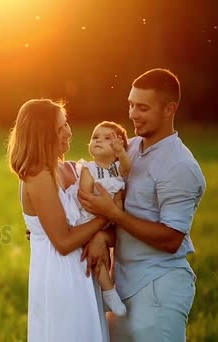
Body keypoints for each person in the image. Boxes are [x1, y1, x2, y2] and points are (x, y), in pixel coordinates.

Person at [79, 68, 206, 341]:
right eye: (131, 104)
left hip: (158, 287)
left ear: (170, 109)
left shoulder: (179, 165)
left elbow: (171, 238)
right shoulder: (130, 148)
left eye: (143, 107)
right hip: (122, 287)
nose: (133, 114)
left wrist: (114, 214)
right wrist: (88, 232)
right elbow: (101, 193)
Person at [7, 98, 110, 341]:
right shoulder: (37, 176)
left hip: (84, 271)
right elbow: (63, 242)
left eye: (67, 124)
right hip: (60, 275)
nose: (69, 132)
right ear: (43, 136)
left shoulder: (73, 169)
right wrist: (107, 215)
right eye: (60, 128)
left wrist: (101, 225)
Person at [62, 121, 131, 317]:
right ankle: (109, 294)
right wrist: (108, 209)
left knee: (106, 253)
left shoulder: (118, 167)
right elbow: (85, 196)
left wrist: (122, 153)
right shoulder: (88, 169)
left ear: (118, 148)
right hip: (90, 216)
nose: (98, 140)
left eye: (107, 138)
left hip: (111, 218)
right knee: (98, 257)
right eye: (95, 137)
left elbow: (127, 169)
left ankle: (107, 290)